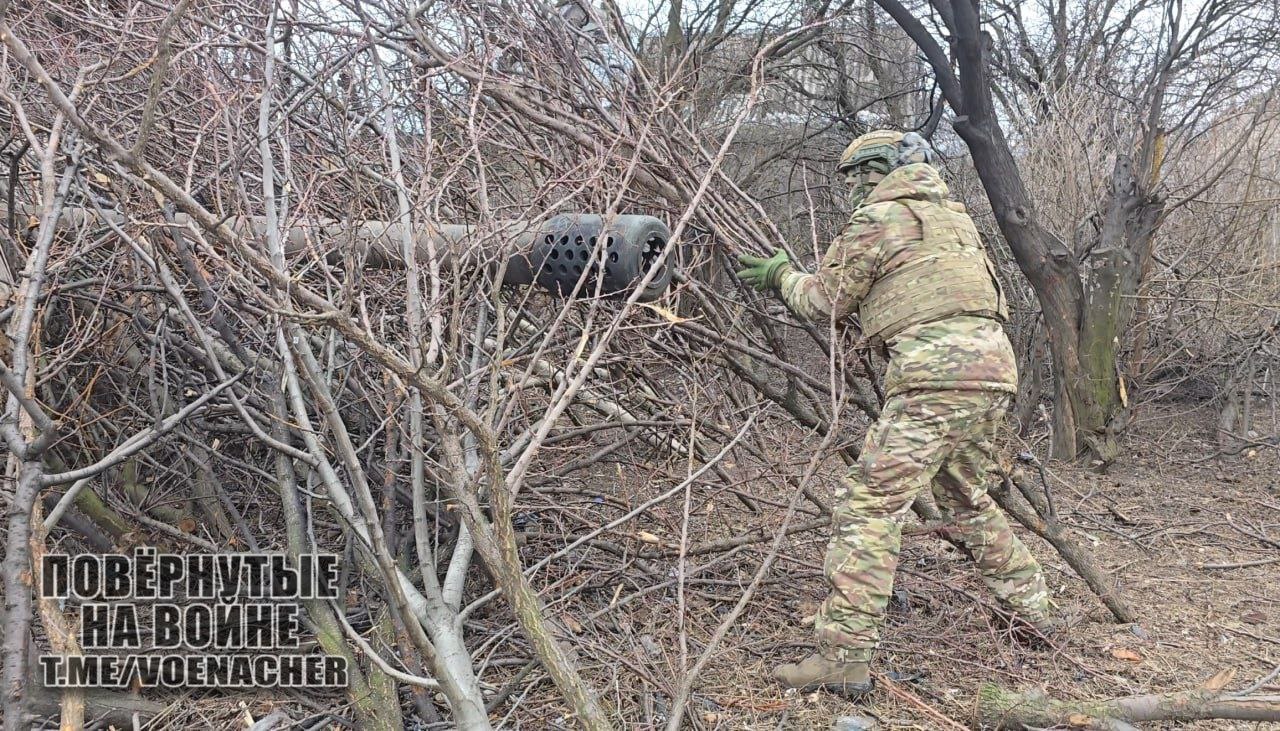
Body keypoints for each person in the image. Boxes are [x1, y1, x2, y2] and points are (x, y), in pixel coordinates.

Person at [735, 129, 1056, 697]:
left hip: (934, 377)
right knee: (965, 494)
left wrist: (780, 273)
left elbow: (823, 301)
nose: (854, 188)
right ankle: (1034, 609)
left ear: (879, 169)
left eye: (858, 175)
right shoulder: (954, 220)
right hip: (995, 373)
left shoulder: (878, 217)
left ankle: (844, 655)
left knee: (869, 504)